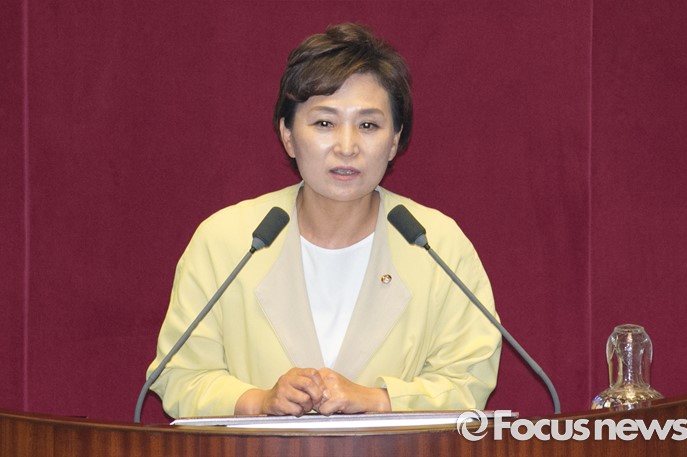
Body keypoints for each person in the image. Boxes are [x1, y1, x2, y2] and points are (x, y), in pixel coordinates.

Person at [147, 22, 501, 418]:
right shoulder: (227, 240)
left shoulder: (436, 244)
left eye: (368, 125)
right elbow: (179, 376)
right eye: (324, 123)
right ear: (287, 135)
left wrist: (378, 400)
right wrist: (260, 401)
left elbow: (468, 380)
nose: (347, 147)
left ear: (394, 140)